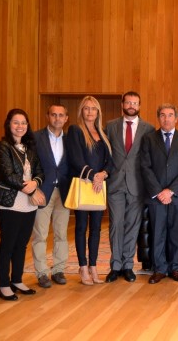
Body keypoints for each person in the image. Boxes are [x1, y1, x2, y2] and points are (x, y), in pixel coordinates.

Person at [0, 109, 44, 301]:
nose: (20, 126)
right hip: (9, 204)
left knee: (21, 245)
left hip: (29, 205)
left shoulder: (30, 148)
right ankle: (3, 284)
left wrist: (36, 182)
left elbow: (39, 172)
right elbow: (7, 175)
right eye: (16, 122)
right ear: (9, 124)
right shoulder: (2, 147)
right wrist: (32, 190)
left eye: (24, 123)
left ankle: (17, 280)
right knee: (8, 245)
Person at [104, 91, 155, 283]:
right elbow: (105, 154)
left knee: (132, 226)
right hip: (115, 184)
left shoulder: (148, 129)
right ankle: (115, 266)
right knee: (116, 225)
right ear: (122, 105)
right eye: (128, 102)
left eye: (135, 103)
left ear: (140, 106)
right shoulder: (110, 127)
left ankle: (127, 265)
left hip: (137, 184)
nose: (131, 105)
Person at [140, 103, 178, 284]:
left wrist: (171, 191)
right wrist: (159, 192)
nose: (166, 118)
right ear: (158, 118)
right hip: (156, 198)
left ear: (176, 118)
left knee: (175, 234)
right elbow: (145, 167)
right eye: (163, 115)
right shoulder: (148, 139)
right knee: (158, 233)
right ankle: (159, 269)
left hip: (177, 196)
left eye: (170, 115)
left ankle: (174, 268)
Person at [67, 96, 113, 286]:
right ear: (81, 111)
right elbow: (76, 159)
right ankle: (83, 267)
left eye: (93, 109)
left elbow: (110, 160)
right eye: (86, 109)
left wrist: (103, 174)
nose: (90, 112)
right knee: (80, 227)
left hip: (98, 186)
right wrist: (94, 175)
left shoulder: (102, 133)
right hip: (84, 184)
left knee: (96, 228)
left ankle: (94, 267)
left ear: (98, 112)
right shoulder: (75, 130)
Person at [31, 104, 71, 288]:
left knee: (61, 233)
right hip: (43, 192)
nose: (57, 118)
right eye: (53, 115)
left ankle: (58, 270)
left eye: (61, 115)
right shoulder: (35, 138)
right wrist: (33, 188)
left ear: (66, 118)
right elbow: (29, 165)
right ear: (48, 116)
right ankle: (41, 273)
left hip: (64, 191)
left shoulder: (71, 140)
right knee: (40, 233)